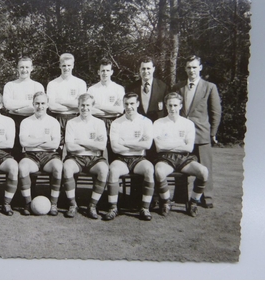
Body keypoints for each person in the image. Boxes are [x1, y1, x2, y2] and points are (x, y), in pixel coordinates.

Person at [173, 55, 221, 208]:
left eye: (194, 67)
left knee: (205, 167)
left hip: (201, 133)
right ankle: (181, 197)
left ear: (200, 68)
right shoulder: (178, 87)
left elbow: (215, 111)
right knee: (182, 166)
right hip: (182, 135)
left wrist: (213, 133)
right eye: (189, 67)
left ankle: (206, 198)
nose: (191, 70)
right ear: (185, 69)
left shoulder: (209, 87)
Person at [153, 92, 209, 217]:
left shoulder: (188, 124)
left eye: (175, 105)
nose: (172, 108)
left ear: (180, 106)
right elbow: (159, 147)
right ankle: (166, 201)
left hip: (184, 158)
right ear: (166, 106)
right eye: (170, 105)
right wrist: (179, 144)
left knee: (203, 172)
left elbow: (189, 147)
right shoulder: (158, 123)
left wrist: (169, 144)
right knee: (159, 171)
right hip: (165, 158)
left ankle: (193, 202)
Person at [106, 93, 155, 221]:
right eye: (126, 104)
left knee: (149, 169)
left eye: (132, 103)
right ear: (123, 104)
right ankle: (113, 208)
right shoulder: (116, 123)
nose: (129, 107)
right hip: (121, 158)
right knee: (113, 170)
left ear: (137, 104)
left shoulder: (146, 122)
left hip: (139, 159)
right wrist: (138, 143)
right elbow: (115, 148)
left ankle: (145, 208)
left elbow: (147, 145)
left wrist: (125, 142)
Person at [62, 93, 109, 219]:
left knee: (104, 169)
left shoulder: (99, 123)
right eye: (82, 105)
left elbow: (101, 146)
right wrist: (92, 144)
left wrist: (80, 141)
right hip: (76, 157)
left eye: (88, 105)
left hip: (94, 158)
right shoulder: (71, 123)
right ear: (78, 106)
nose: (85, 108)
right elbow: (70, 147)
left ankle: (92, 205)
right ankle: (72, 205)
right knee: (67, 167)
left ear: (92, 106)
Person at [18, 92, 63, 216]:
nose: (40, 106)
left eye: (43, 103)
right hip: (31, 156)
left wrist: (33, 141)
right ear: (33, 104)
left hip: (50, 156)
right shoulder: (26, 122)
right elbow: (24, 143)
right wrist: (44, 139)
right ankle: (27, 203)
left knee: (58, 167)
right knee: (23, 167)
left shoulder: (53, 122)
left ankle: (54, 203)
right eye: (37, 103)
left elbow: (54, 145)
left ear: (47, 105)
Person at [3, 57, 44, 160]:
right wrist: (29, 103)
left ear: (32, 68)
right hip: (14, 120)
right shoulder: (10, 85)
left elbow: (38, 107)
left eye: (27, 67)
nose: (24, 70)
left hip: (32, 120)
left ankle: (30, 173)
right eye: (21, 67)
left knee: (32, 148)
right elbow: (8, 104)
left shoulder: (37, 86)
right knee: (15, 148)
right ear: (17, 68)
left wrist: (18, 107)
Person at [46, 53, 87, 147]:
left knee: (75, 146)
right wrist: (73, 106)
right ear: (60, 65)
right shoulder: (52, 84)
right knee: (57, 147)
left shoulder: (80, 83)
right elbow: (51, 106)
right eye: (64, 65)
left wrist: (61, 101)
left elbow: (81, 104)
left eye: (69, 65)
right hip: (57, 118)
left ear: (73, 66)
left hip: (75, 118)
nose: (66, 68)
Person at [87, 59, 125, 161]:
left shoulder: (118, 89)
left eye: (107, 70)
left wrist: (99, 106)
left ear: (111, 72)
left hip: (113, 122)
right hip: (97, 122)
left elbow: (120, 110)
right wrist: (111, 108)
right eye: (103, 70)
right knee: (96, 153)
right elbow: (90, 110)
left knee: (113, 152)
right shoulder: (92, 89)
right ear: (98, 72)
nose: (105, 73)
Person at [127, 57, 169, 122]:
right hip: (138, 125)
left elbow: (167, 110)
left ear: (153, 69)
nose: (146, 71)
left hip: (156, 126)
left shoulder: (163, 87)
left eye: (148, 68)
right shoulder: (131, 88)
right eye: (143, 69)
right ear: (139, 70)